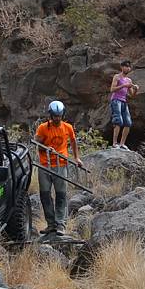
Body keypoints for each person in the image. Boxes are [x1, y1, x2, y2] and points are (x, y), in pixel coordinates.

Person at [34, 100, 83, 237]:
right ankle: (51, 224)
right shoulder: (43, 128)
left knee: (61, 194)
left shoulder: (67, 127)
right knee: (45, 194)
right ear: (50, 115)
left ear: (62, 115)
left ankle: (60, 224)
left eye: (59, 116)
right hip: (45, 165)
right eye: (54, 116)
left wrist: (76, 158)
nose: (57, 118)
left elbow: (73, 141)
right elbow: (36, 142)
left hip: (61, 164)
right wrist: (45, 146)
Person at [109, 60, 139, 149]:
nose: (128, 68)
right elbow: (112, 89)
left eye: (129, 67)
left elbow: (131, 95)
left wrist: (136, 89)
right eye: (126, 66)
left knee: (128, 123)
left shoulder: (129, 80)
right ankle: (115, 143)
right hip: (116, 100)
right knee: (118, 121)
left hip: (123, 101)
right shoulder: (117, 77)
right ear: (122, 67)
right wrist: (123, 85)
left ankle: (122, 144)